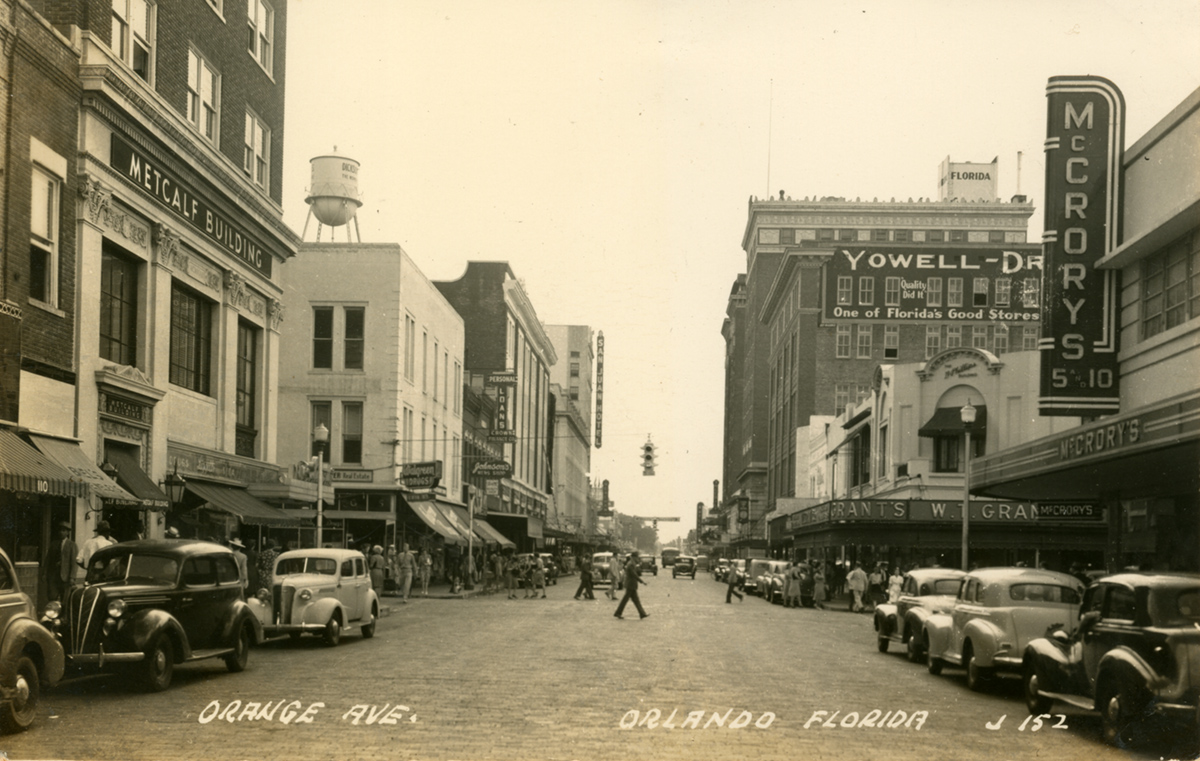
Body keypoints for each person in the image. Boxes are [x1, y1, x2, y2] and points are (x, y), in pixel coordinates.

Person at [42, 521, 76, 604]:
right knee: (52, 597)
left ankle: (63, 615)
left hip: (65, 577)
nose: (61, 532)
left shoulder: (72, 545)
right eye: (60, 530)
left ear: (68, 532)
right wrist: (44, 573)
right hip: (53, 576)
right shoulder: (53, 544)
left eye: (64, 530)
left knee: (65, 599)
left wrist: (72, 577)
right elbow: (47, 560)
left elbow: (73, 562)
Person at [614, 550, 649, 620]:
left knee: (635, 600)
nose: (638, 559)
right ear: (633, 557)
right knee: (627, 600)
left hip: (631, 585)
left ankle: (642, 613)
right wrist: (642, 581)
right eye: (637, 557)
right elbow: (634, 575)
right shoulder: (631, 564)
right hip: (630, 585)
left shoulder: (631, 563)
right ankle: (618, 613)